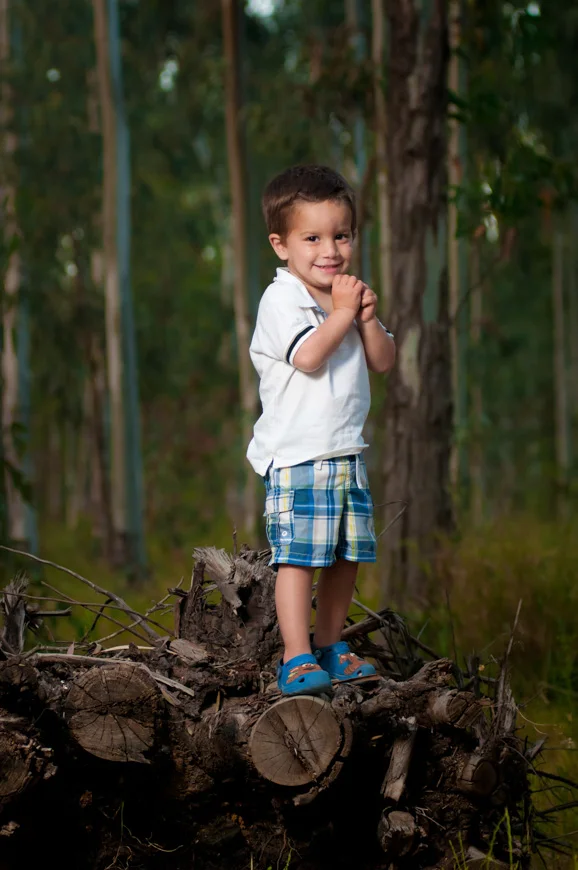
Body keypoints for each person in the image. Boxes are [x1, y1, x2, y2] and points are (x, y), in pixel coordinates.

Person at [247, 164, 396, 695]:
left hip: (345, 452)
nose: (329, 250)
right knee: (299, 557)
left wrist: (366, 320)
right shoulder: (281, 300)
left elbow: (382, 360)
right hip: (297, 456)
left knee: (346, 555)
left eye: (341, 235)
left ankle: (332, 644)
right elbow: (308, 356)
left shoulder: (346, 301)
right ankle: (297, 656)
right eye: (312, 238)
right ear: (281, 245)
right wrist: (341, 313)